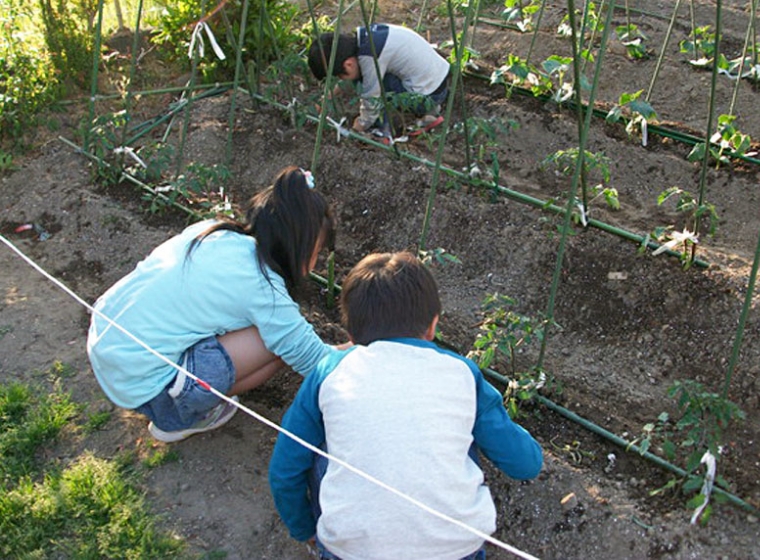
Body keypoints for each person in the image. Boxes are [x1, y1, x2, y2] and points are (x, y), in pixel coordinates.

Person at [269, 252, 543, 560]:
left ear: (351, 335)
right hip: (454, 551)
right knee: (462, 438)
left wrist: (305, 531)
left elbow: (284, 470)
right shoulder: (462, 372)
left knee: (322, 442)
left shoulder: (331, 371)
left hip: (352, 552)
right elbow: (525, 464)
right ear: (433, 326)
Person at [87, 166, 338, 443]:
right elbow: (314, 360)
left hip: (108, 344)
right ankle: (181, 418)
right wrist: (363, 347)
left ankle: (182, 393)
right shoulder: (263, 289)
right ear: (298, 248)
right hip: (146, 386)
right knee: (275, 343)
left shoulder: (212, 231)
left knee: (272, 330)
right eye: (316, 254)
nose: (315, 263)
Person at [308, 23, 451, 136]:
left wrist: (360, 126)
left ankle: (384, 130)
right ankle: (430, 108)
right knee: (368, 76)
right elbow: (349, 75)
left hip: (430, 96)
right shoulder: (363, 38)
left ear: (348, 64)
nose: (341, 79)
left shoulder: (370, 59)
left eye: (339, 75)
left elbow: (371, 97)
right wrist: (329, 96)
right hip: (438, 80)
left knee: (370, 84)